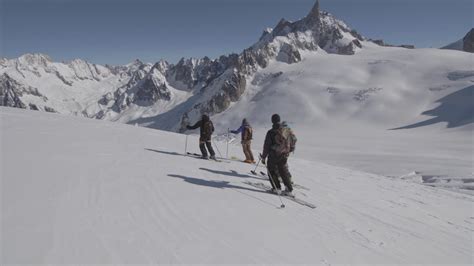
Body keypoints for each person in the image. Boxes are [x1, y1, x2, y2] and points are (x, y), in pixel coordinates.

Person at [260, 114, 297, 196]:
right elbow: (293, 140)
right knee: (283, 171)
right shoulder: (286, 130)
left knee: (271, 170)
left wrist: (263, 157)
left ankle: (277, 188)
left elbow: (266, 146)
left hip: (273, 155)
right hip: (284, 154)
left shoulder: (271, 132)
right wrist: (289, 150)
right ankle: (289, 189)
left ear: (272, 121)